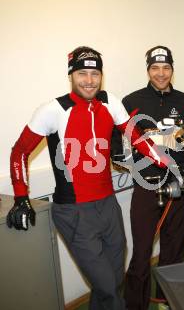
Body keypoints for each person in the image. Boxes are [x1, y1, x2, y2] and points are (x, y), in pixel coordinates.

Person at [7, 46, 174, 310]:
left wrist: (167, 162)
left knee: (113, 279)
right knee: (107, 286)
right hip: (74, 210)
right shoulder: (53, 109)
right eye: (82, 73)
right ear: (71, 75)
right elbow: (19, 152)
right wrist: (20, 197)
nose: (89, 80)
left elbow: (137, 137)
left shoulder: (110, 102)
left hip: (108, 206)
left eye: (95, 73)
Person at [121, 45, 184, 310]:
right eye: (155, 68)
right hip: (146, 185)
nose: (161, 73)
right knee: (142, 251)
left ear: (172, 70)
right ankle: (136, 305)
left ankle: (168, 301)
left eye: (166, 68)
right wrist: (128, 162)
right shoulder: (132, 101)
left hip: (180, 183)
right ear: (148, 70)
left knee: (174, 248)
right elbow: (116, 140)